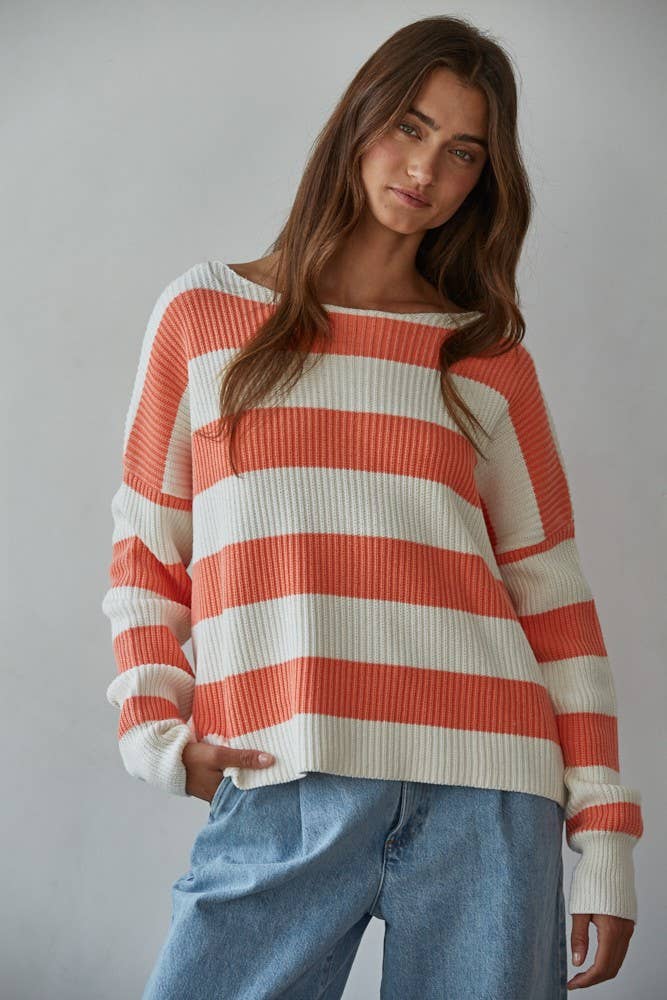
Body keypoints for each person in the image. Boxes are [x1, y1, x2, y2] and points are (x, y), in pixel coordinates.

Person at [101, 15, 643, 999]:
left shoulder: (484, 358)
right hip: (283, 769)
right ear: (358, 122)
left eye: (463, 152)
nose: (425, 169)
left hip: (489, 790)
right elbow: (147, 551)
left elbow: (553, 601)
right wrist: (156, 734)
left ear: (484, 179)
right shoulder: (205, 317)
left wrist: (603, 834)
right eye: (409, 127)